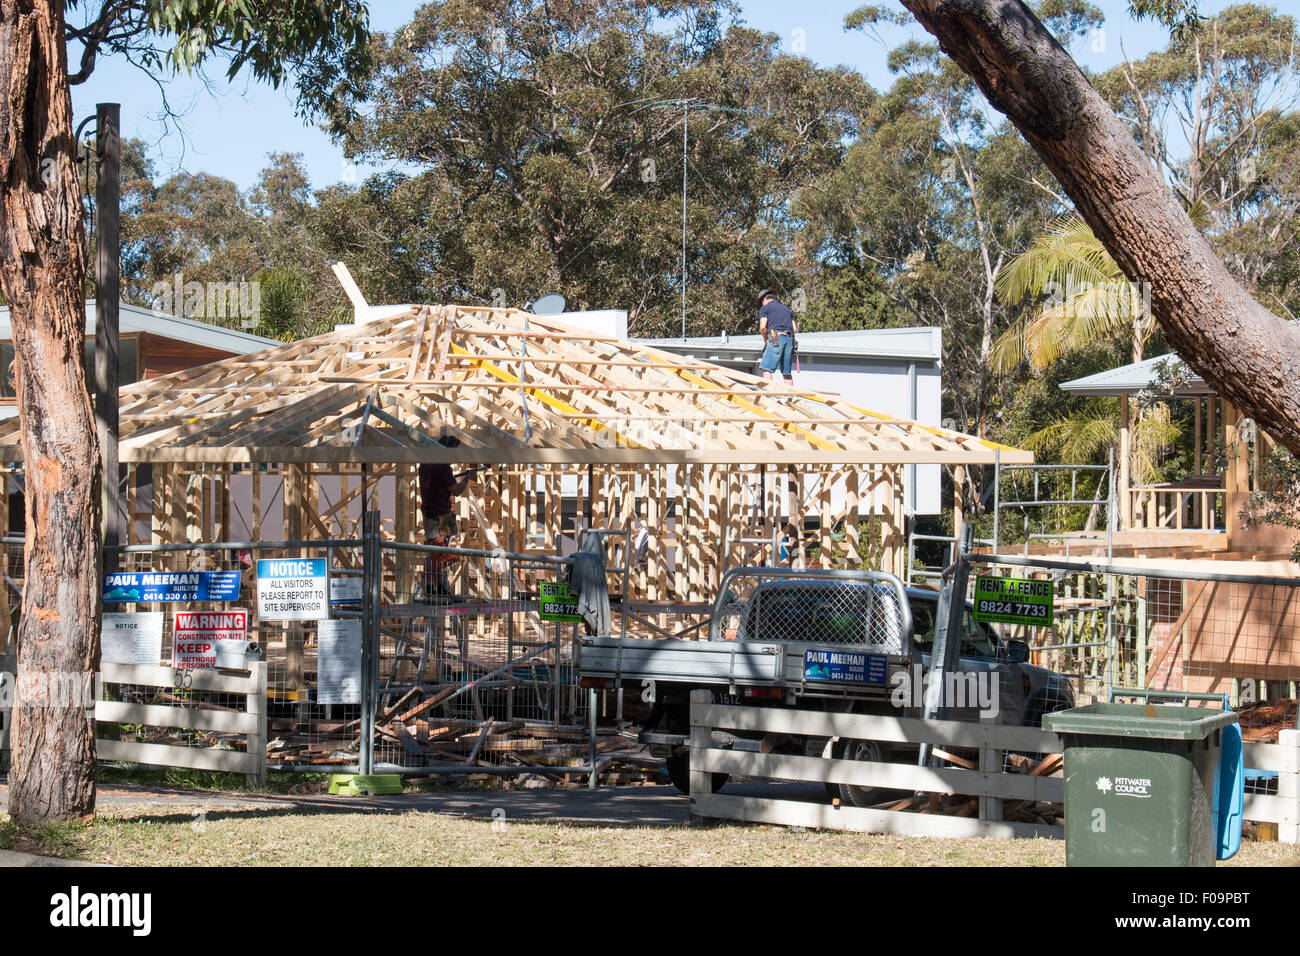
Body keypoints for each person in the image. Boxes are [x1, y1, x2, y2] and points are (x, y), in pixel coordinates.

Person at [419, 436, 472, 595]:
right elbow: (456, 490)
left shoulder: (424, 465)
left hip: (428, 514)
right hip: (442, 515)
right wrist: (467, 478)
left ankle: (432, 587)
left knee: (434, 551)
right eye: (452, 452)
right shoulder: (443, 467)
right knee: (445, 552)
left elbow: (438, 483)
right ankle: (438, 588)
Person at [756, 289, 798, 384]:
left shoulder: (765, 308)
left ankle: (769, 394)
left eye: (761, 302)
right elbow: (795, 329)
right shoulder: (787, 310)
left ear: (765, 299)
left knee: (766, 368)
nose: (762, 304)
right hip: (789, 339)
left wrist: (765, 339)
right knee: (786, 373)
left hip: (775, 336)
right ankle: (789, 397)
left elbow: (762, 328)